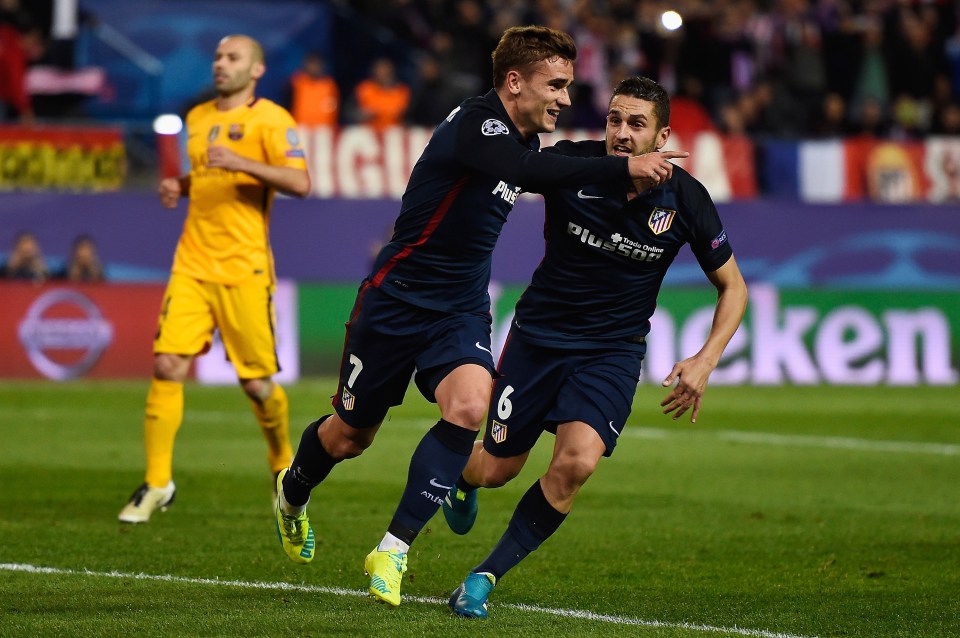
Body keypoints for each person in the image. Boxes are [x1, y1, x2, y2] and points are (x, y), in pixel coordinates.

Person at [272, 26, 687, 608]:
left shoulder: (526, 143)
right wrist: (624, 169)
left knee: (469, 406)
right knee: (349, 436)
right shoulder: (478, 125)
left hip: (460, 307)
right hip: (395, 302)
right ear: (515, 82)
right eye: (557, 85)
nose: (566, 100)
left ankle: (392, 549)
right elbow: (532, 173)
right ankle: (293, 492)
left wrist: (637, 170)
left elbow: (551, 170)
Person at [443, 76, 748, 618]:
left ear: (663, 135)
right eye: (614, 120)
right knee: (496, 469)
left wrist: (705, 360)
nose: (621, 133)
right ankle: (462, 482)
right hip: (538, 341)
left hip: (611, 352)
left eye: (636, 124)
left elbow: (734, 286)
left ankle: (483, 576)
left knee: (577, 463)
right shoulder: (573, 167)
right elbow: (511, 168)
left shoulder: (686, 198)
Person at [118, 34, 310, 523]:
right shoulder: (198, 118)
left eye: (233, 58)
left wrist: (242, 160)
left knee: (259, 386)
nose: (221, 65)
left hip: (244, 269)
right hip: (192, 263)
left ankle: (281, 463)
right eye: (218, 57)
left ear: (256, 69)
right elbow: (208, 177)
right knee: (167, 365)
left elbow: (300, 183)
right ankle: (158, 482)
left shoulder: (272, 119)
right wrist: (178, 185)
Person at [352, 57, 410, 131]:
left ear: (391, 70)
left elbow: (408, 117)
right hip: (368, 132)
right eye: (378, 69)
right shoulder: (364, 88)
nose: (380, 72)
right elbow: (349, 112)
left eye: (384, 69)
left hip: (394, 134)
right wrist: (360, 114)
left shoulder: (402, 92)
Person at [289, 52, 339, 127]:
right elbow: (288, 103)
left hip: (324, 127)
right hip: (300, 125)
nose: (314, 67)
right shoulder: (297, 82)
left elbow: (334, 106)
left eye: (317, 64)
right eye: (311, 64)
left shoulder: (329, 85)